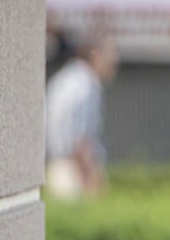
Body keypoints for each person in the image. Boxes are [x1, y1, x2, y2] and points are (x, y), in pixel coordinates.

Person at [45, 34, 117, 198]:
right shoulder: (85, 85)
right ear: (96, 55)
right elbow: (79, 137)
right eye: (110, 54)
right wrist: (91, 178)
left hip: (61, 167)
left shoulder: (70, 78)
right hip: (74, 172)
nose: (114, 60)